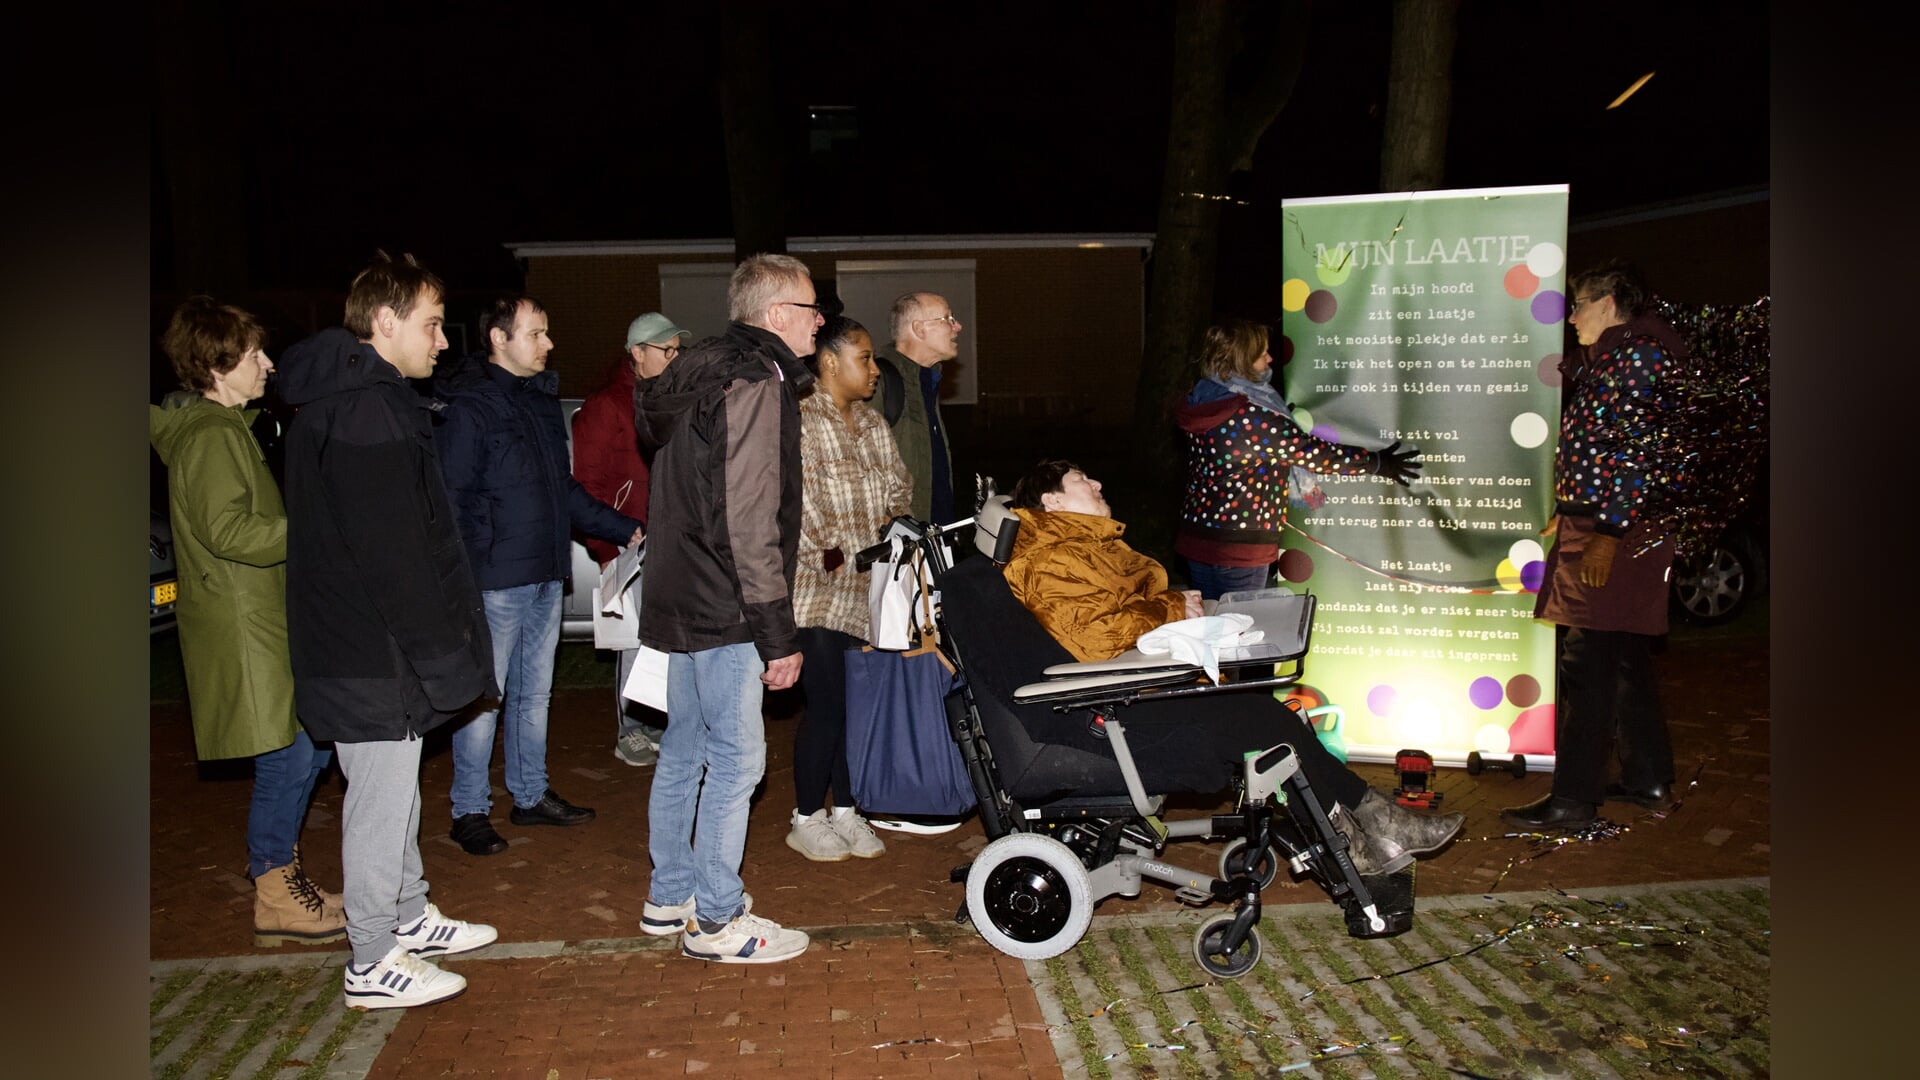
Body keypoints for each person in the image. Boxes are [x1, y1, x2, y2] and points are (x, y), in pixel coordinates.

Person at [1004, 459, 1463, 876]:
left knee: (1265, 716)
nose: (1097, 482)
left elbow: (1117, 613)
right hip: (1110, 709)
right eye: (1082, 479)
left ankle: (1371, 826)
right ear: (1052, 501)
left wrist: (1175, 605)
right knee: (1260, 721)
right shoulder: (1050, 558)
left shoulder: (1082, 548)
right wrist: (1172, 609)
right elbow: (1095, 638)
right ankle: (1357, 840)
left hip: (1132, 686)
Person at [278, 251, 499, 1009]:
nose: (442, 341)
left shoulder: (358, 401)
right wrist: (441, 651)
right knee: (378, 796)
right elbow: (396, 554)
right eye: (431, 325)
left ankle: (407, 914)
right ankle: (372, 958)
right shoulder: (364, 411)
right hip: (369, 648)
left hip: (364, 645)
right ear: (384, 321)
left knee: (395, 788)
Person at [631, 253, 821, 963]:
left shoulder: (694, 371)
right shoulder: (754, 380)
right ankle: (716, 918)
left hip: (681, 594)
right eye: (810, 309)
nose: (819, 322)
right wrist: (776, 633)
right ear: (777, 315)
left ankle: (670, 894)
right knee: (737, 761)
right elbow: (748, 516)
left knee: (684, 749)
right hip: (725, 603)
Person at [150, 296, 346, 948]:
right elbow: (228, 531)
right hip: (243, 624)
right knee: (289, 756)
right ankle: (274, 891)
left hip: (258, 615)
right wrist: (312, 528)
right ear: (218, 365)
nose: (267, 363)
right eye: (254, 354)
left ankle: (283, 878)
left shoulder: (229, 426)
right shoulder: (210, 435)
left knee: (307, 746)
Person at [432, 295, 643, 856]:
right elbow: (453, 499)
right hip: (495, 581)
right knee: (486, 699)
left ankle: (529, 795)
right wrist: (468, 576)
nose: (548, 344)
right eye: (536, 334)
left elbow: (562, 489)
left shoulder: (538, 401)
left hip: (547, 574)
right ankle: (469, 810)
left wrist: (623, 527)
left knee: (534, 695)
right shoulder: (470, 406)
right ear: (499, 339)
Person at [1502, 261, 1687, 831]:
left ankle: (1573, 799)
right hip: (1600, 523)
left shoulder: (1638, 356)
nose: (1572, 316)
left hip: (1614, 532)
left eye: (1579, 303)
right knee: (1623, 655)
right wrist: (1568, 506)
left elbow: (1638, 453)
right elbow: (1602, 449)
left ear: (1609, 302)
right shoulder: (1617, 356)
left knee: (1587, 662)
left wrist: (1607, 534)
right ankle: (1647, 776)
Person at [785, 315, 913, 862]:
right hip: (816, 589)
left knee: (856, 708)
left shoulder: (873, 423)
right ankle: (806, 816)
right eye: (864, 358)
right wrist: (836, 554)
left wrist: (893, 530)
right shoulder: (798, 418)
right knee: (828, 704)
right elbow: (797, 504)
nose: (875, 369)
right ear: (830, 361)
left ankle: (845, 809)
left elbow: (899, 489)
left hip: (868, 592)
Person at [1175, 318, 1423, 600]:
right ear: (1243, 360)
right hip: (1239, 547)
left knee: (1210, 619)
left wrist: (1280, 422)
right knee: (1241, 623)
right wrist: (1377, 463)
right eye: (1261, 353)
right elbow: (1316, 454)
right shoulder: (1251, 416)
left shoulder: (1203, 399)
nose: (1270, 358)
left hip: (1197, 537)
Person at [572, 311, 690, 768]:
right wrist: (606, 548)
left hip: (671, 538)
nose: (674, 357)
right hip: (630, 540)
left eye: (677, 350)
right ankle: (631, 731)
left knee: (666, 638)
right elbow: (587, 485)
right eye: (666, 350)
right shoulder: (607, 406)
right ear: (637, 352)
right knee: (634, 641)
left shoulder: (669, 400)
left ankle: (658, 723)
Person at [873, 292, 961, 523]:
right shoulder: (878, 381)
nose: (957, 327)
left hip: (932, 531)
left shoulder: (926, 380)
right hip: (901, 534)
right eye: (948, 319)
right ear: (919, 329)